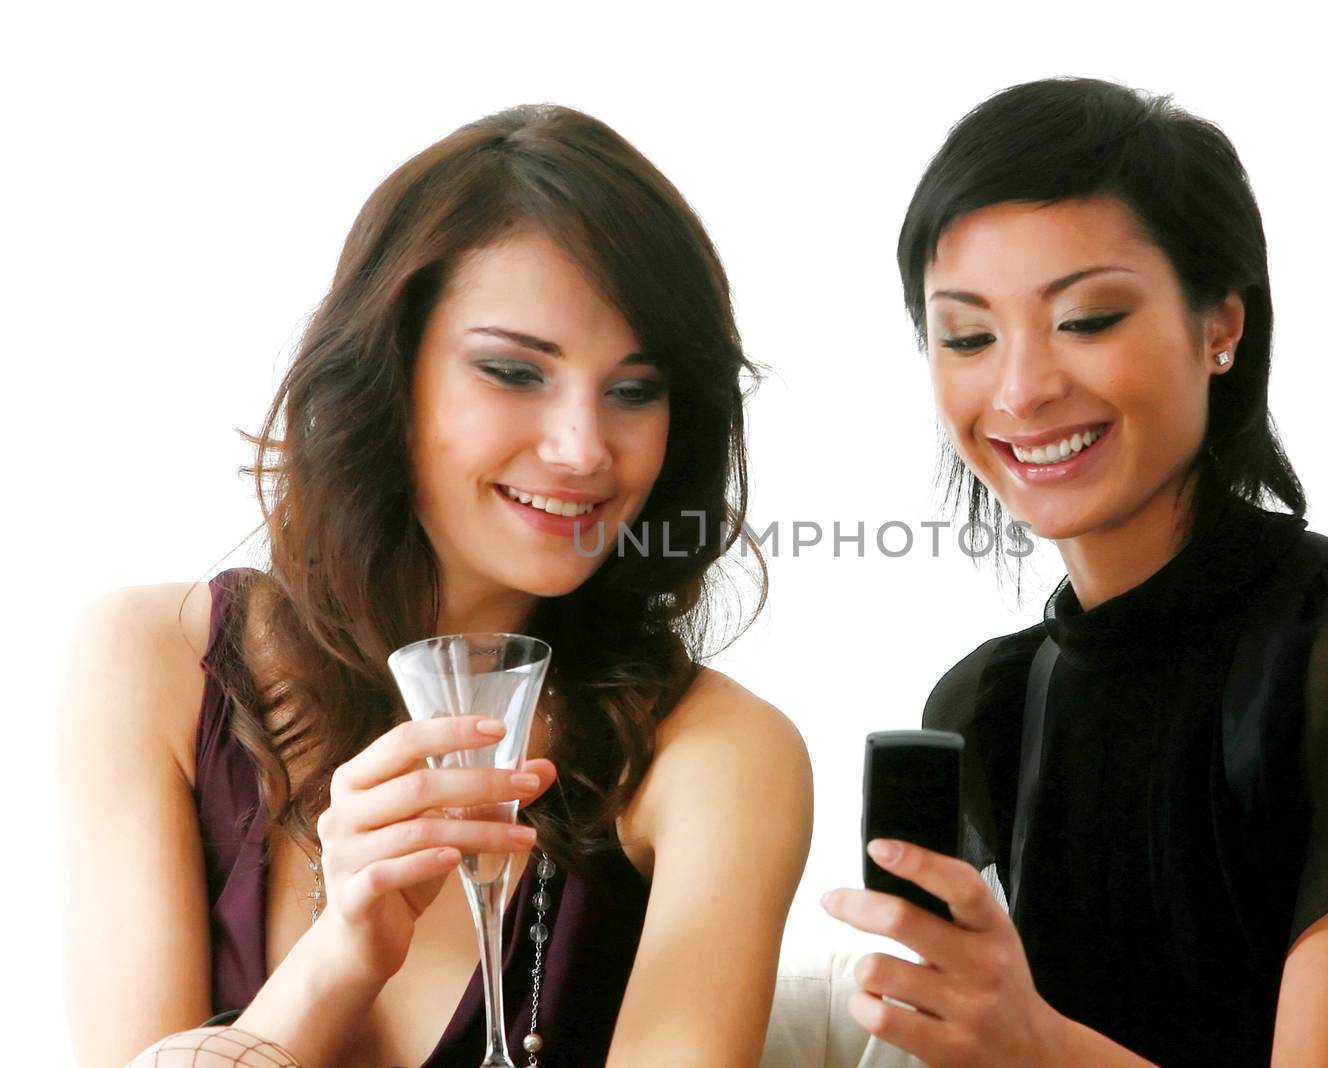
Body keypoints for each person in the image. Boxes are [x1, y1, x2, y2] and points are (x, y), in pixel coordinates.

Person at [821, 77, 1328, 1066]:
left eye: (1088, 319)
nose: (1020, 389)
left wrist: (1030, 1045)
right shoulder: (990, 705)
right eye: (968, 336)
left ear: (1220, 326)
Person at [58, 104, 813, 1068]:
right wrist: (338, 960)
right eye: (514, 372)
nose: (584, 449)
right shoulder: (153, 664)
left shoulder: (717, 757)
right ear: (386, 370)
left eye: (634, 390)